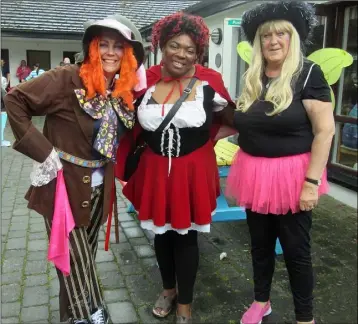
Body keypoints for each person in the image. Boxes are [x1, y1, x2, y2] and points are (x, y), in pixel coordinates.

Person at [4, 15, 145, 324]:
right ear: (93, 49)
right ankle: (93, 314)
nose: (110, 52)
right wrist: (43, 151)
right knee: (74, 257)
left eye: (117, 47)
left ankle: (71, 316)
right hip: (64, 184)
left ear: (128, 54)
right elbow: (15, 100)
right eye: (103, 45)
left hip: (100, 186)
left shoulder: (122, 89)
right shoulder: (69, 77)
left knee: (84, 257)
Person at [115, 12, 235, 324]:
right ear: (161, 45)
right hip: (154, 169)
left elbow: (231, 119)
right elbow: (122, 117)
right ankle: (168, 289)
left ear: (199, 53)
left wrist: (206, 143)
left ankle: (185, 302)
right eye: (174, 46)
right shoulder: (144, 81)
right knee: (162, 235)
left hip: (191, 171)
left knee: (186, 237)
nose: (181, 54)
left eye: (190, 49)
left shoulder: (210, 84)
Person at [224, 2, 335, 324]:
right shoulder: (253, 76)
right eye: (266, 35)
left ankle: (305, 317)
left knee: (296, 252)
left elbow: (325, 131)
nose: (273, 41)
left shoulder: (309, 73)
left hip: (293, 176)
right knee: (259, 246)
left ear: (293, 37)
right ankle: (262, 302)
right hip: (254, 172)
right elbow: (243, 122)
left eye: (281, 34)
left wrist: (311, 183)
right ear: (258, 41)